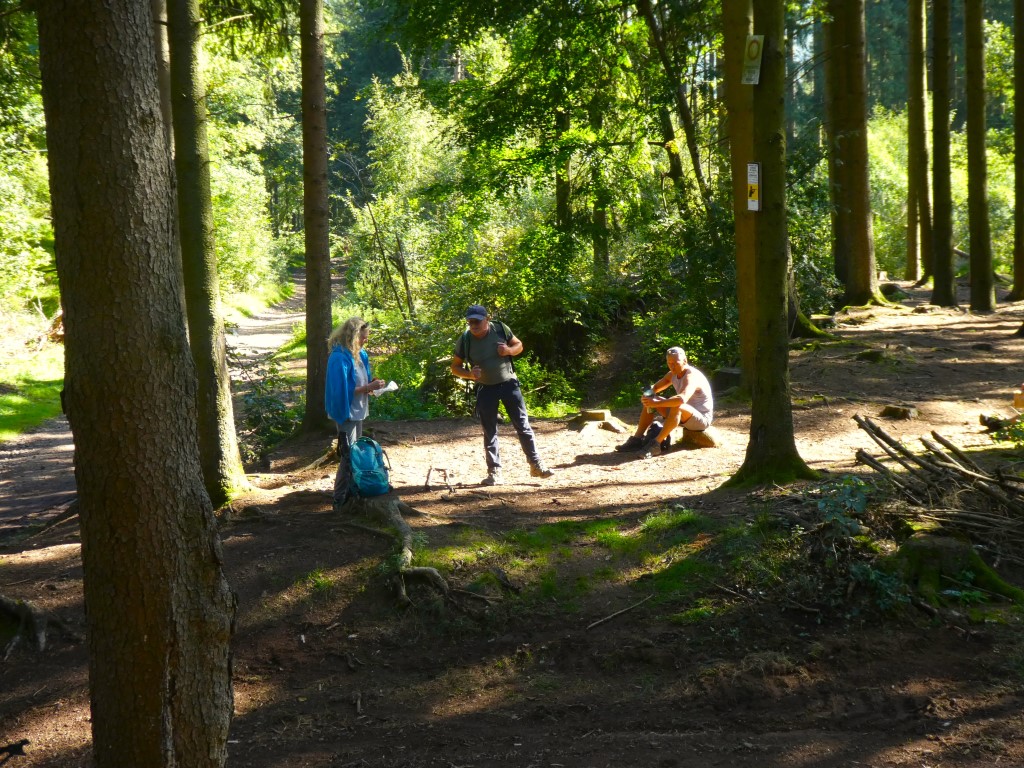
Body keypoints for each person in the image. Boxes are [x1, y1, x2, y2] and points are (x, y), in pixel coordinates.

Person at [451, 304, 554, 485]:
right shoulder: (465, 339)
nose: (473, 325)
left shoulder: (500, 329)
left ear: (487, 319)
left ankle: (536, 464)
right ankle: (494, 472)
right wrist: (469, 374)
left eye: (477, 321)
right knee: (489, 431)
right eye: (470, 321)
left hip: (509, 384)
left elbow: (519, 345)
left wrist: (508, 351)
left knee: (522, 425)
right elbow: (455, 367)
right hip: (485, 388)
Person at [326, 317, 385, 510]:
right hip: (345, 412)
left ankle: (354, 492)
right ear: (353, 336)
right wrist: (367, 386)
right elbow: (341, 390)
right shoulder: (339, 357)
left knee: (356, 454)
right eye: (363, 337)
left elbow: (362, 382)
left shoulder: (361, 355)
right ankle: (339, 498)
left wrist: (374, 386)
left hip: (359, 410)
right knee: (348, 455)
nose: (366, 340)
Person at [616, 346, 714, 454]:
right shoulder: (672, 374)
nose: (672, 366)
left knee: (677, 404)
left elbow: (681, 399)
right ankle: (637, 439)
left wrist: (657, 403)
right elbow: (656, 388)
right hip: (682, 416)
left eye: (676, 363)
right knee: (650, 399)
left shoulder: (691, 376)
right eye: (669, 363)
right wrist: (647, 394)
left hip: (700, 420)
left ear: (685, 361)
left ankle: (656, 444)